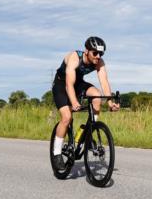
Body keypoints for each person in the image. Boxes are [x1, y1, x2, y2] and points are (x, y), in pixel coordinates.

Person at [50, 36, 119, 169]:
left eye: (101, 53)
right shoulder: (75, 58)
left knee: (97, 96)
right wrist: (74, 102)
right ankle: (57, 153)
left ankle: (88, 132)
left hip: (78, 84)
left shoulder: (99, 62)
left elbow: (104, 82)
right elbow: (69, 84)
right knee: (67, 117)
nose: (98, 56)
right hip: (61, 84)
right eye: (95, 53)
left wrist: (110, 102)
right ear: (86, 50)